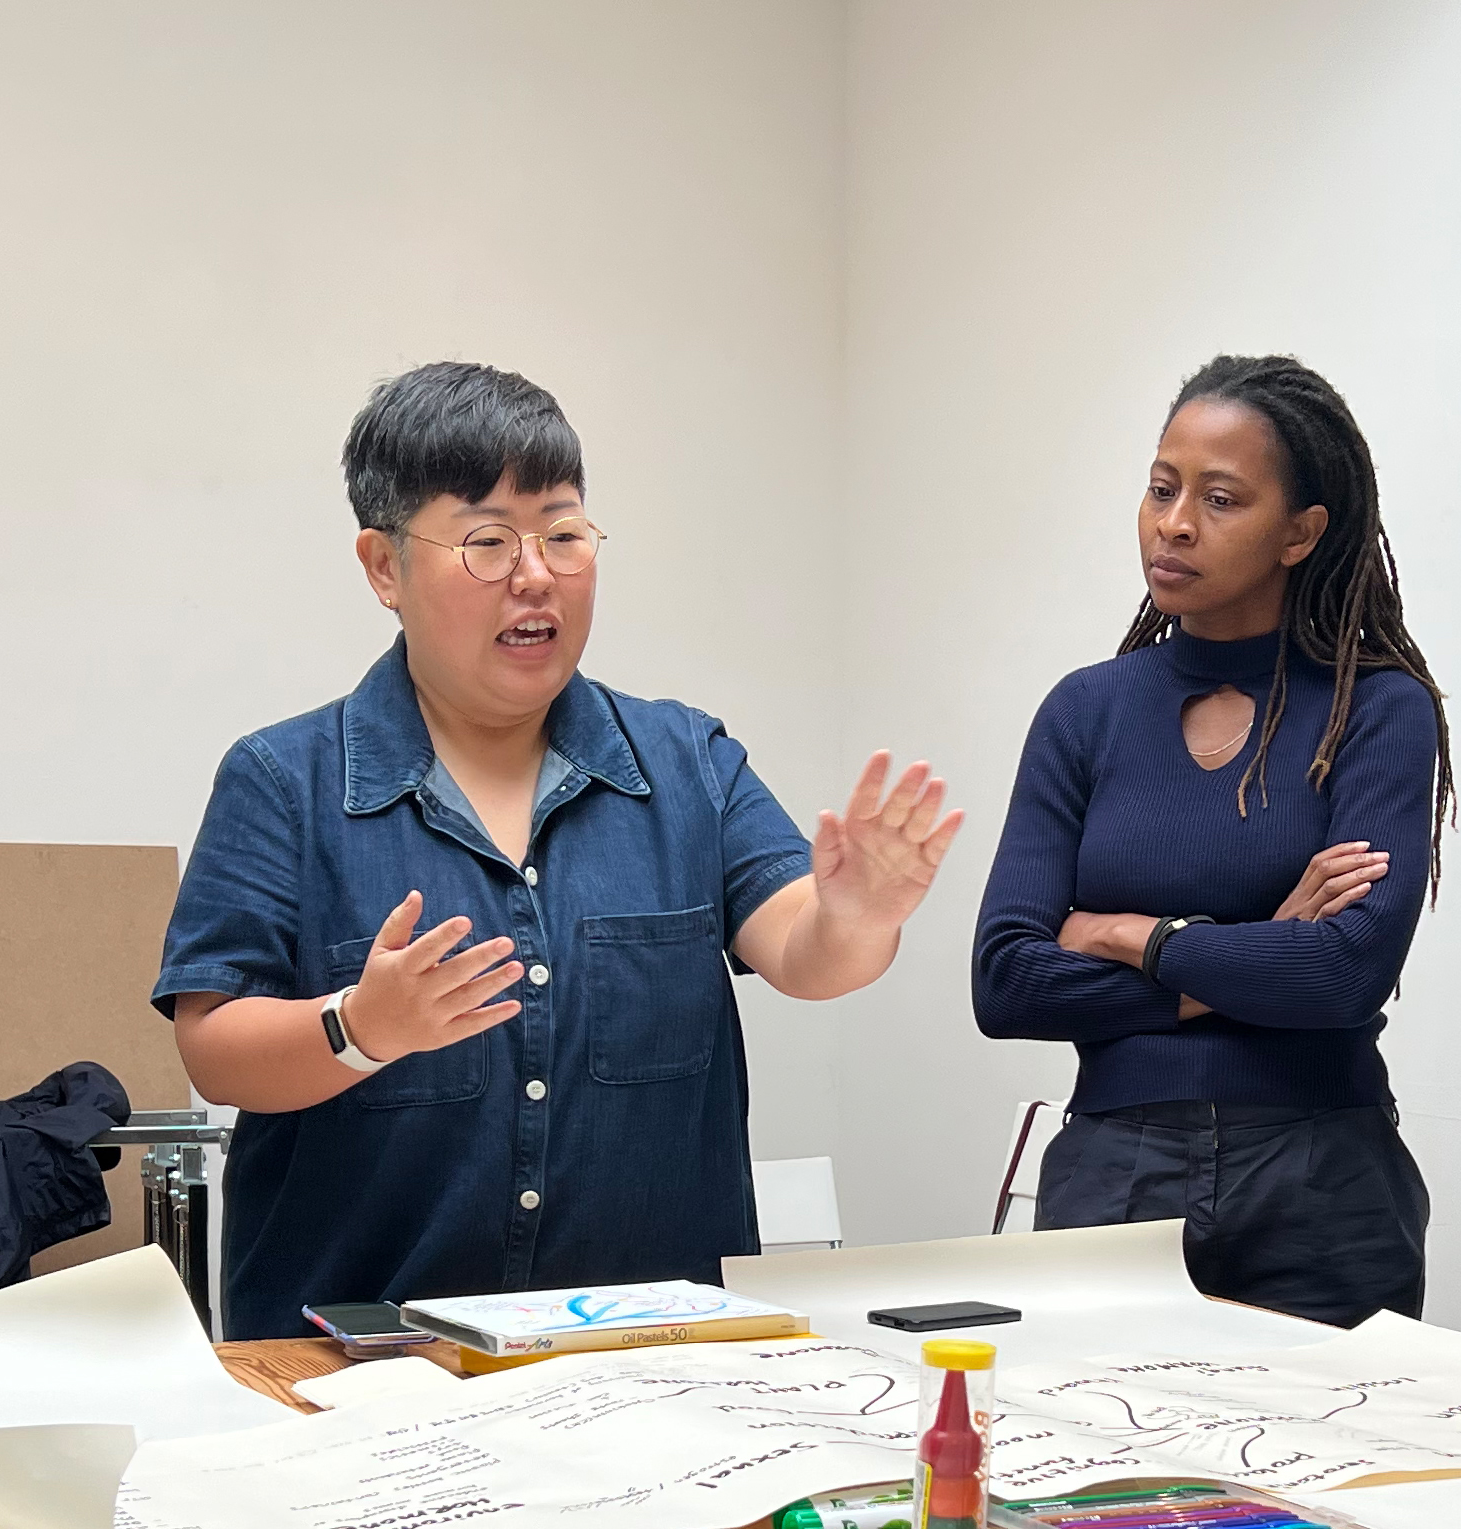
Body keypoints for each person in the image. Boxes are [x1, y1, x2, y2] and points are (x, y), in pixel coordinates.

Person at [157, 362, 962, 1332]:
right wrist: (359, 1027)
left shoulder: (686, 762)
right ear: (383, 567)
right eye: (489, 541)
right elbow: (213, 1046)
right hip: (359, 1373)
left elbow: (803, 949)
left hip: (652, 1360)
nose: (535, 574)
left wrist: (858, 915)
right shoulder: (284, 781)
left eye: (564, 533)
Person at [967, 354, 1454, 1326]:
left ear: (1301, 531)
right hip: (1113, 1170)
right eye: (1161, 487)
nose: (1174, 521)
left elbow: (1341, 977)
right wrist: (1254, 945)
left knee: (1331, 1475)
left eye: (1221, 498)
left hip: (1323, 1180)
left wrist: (1129, 935)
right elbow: (1006, 983)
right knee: (1107, 1474)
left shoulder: (1378, 710)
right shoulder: (1086, 712)